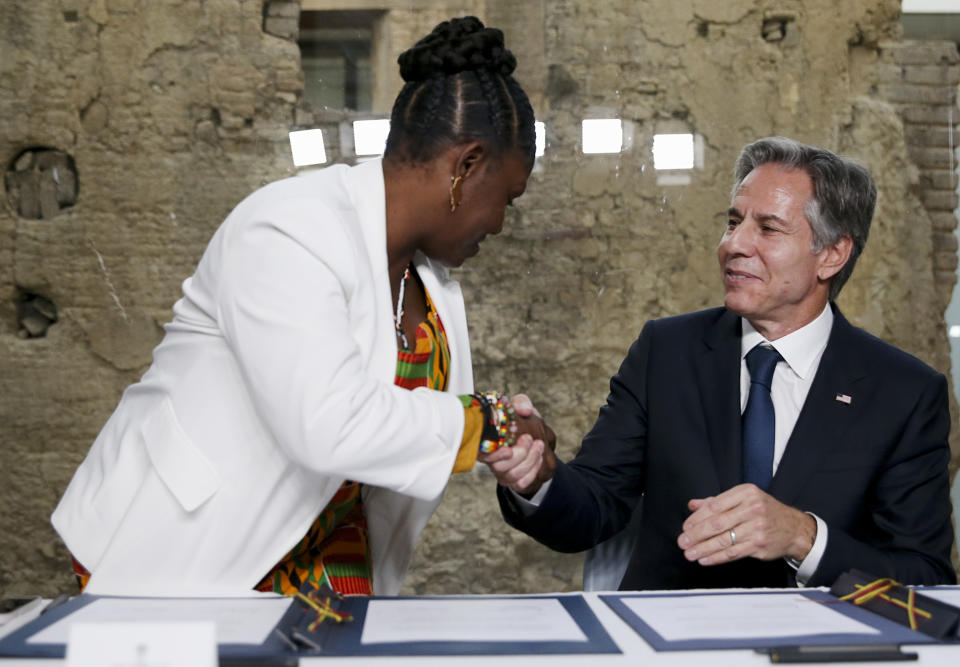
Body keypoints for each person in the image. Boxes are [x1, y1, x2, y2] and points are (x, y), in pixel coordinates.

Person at [51, 16, 552, 597]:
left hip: (327, 558)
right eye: (506, 198)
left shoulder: (429, 279)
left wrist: (510, 444)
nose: (500, 223)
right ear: (465, 166)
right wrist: (490, 424)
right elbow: (328, 421)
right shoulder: (287, 228)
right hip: (186, 548)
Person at [486, 137, 956, 590]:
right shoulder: (666, 352)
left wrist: (801, 536)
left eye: (767, 228)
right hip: (670, 641)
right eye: (734, 222)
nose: (733, 244)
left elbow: (925, 577)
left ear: (832, 255)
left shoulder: (905, 393)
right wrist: (540, 476)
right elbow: (594, 509)